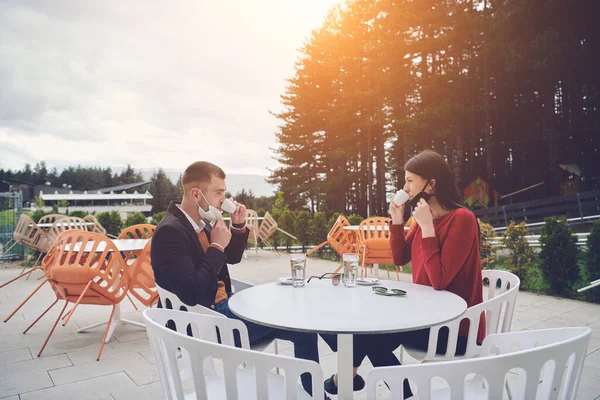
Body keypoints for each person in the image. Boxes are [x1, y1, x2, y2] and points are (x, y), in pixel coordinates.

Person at [151, 161, 323, 396]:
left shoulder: (199, 223)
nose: (223, 199)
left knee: (295, 318)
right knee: (299, 323)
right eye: (218, 193)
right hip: (208, 324)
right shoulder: (170, 232)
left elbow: (229, 258)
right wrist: (215, 246)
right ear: (195, 194)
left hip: (223, 308)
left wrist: (238, 226)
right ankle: (318, 394)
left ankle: (315, 393)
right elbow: (191, 292)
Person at [322, 150, 485, 397]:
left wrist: (428, 226)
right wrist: (397, 221)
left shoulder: (462, 219)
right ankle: (356, 379)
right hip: (425, 316)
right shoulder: (422, 220)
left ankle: (348, 378)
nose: (404, 186)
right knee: (369, 328)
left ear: (431, 184)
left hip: (455, 329)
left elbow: (439, 281)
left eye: (410, 180)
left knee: (371, 334)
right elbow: (400, 259)